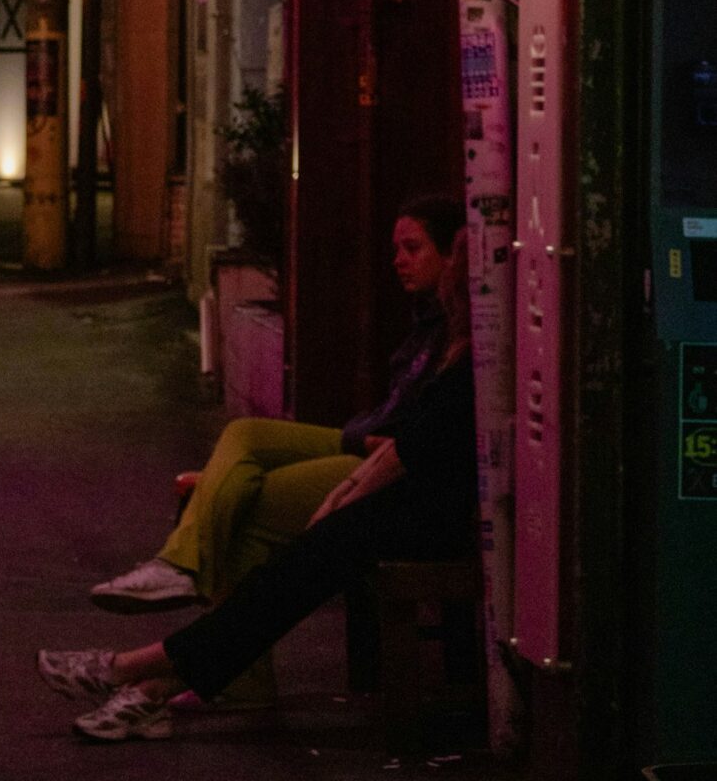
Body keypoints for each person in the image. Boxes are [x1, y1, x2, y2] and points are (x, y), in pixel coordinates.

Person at [37, 228, 476, 742]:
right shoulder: (443, 340)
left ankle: (135, 668)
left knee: (283, 540)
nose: (411, 265)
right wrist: (344, 493)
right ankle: (153, 672)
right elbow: (409, 438)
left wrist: (344, 494)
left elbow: (409, 445)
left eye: (425, 253)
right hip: (413, 495)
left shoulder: (470, 356)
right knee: (265, 489)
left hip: (434, 507)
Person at [89, 195, 464, 623]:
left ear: (454, 254)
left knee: (249, 506)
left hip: (395, 468)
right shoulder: (428, 320)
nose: (399, 261)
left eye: (413, 249)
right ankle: (177, 567)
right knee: (245, 433)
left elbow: (421, 427)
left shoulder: (460, 334)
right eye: (397, 250)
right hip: (368, 441)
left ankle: (222, 657)